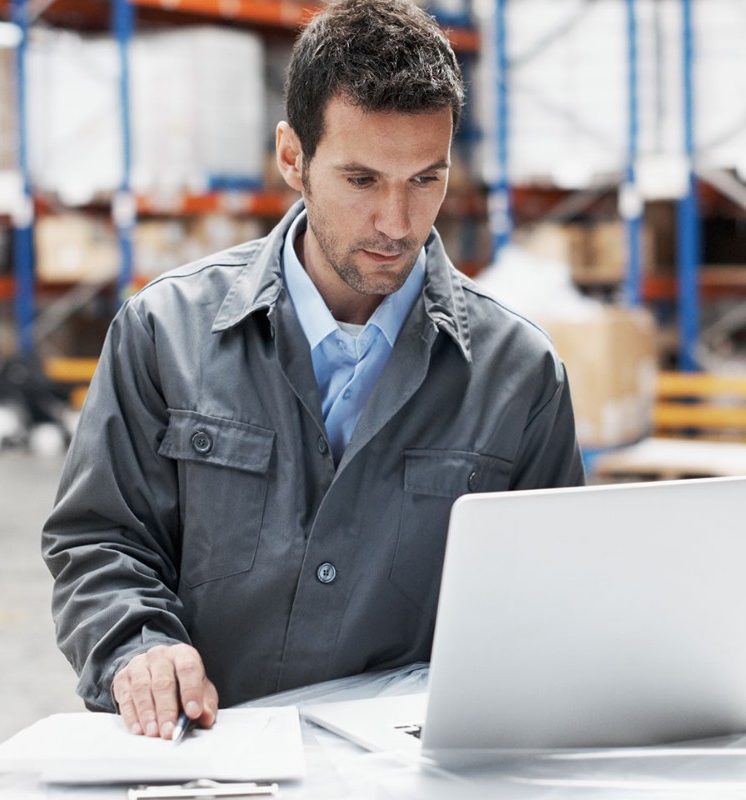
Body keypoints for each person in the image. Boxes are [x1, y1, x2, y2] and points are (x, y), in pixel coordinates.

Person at [42, 0, 584, 741]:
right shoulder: (162, 334)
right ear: (292, 157)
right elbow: (101, 541)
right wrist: (138, 647)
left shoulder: (519, 374)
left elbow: (551, 604)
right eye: (362, 179)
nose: (397, 223)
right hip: (210, 757)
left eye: (426, 179)